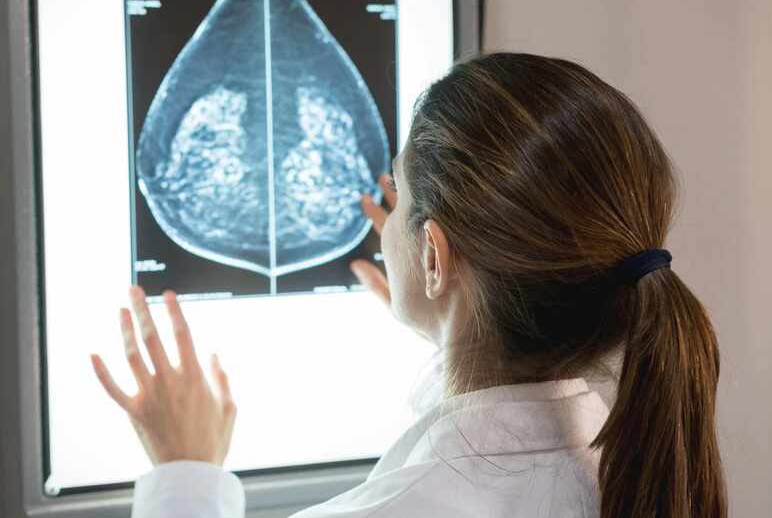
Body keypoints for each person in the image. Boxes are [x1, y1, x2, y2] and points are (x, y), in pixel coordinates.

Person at [91, 53, 727, 518]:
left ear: (434, 252)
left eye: (397, 200)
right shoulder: (640, 459)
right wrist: (441, 309)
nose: (382, 219)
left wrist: (186, 474)